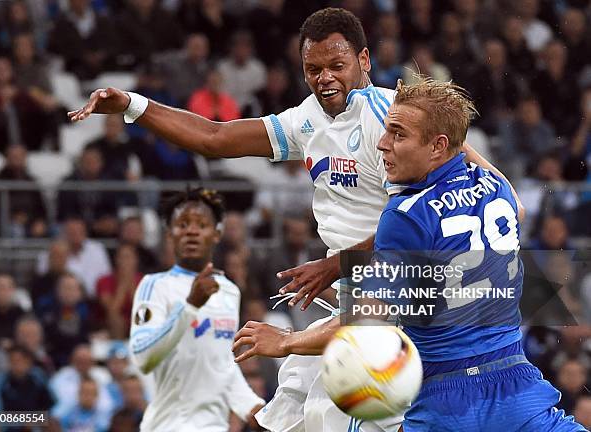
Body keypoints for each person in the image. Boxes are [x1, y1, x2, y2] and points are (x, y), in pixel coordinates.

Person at [69, 8, 510, 431]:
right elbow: (214, 138)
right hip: (350, 292)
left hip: (396, 293)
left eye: (336, 65)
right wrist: (133, 105)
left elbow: (418, 226)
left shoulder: (392, 121)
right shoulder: (307, 119)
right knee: (291, 409)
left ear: (363, 60)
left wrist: (333, 265)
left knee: (338, 415)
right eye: (313, 68)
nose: (324, 79)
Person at [236, 78, 584, 431]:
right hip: (516, 389)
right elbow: (520, 208)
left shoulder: (406, 214)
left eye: (398, 135)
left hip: (447, 403)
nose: (382, 144)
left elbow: (365, 322)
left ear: (437, 147)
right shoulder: (495, 188)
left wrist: (286, 341)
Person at [128, 188, 265, 431]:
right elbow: (143, 358)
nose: (191, 231)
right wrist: (189, 307)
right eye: (182, 224)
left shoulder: (229, 291)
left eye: (201, 224)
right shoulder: (154, 286)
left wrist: (252, 407)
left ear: (217, 233)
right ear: (170, 233)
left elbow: (222, 363)